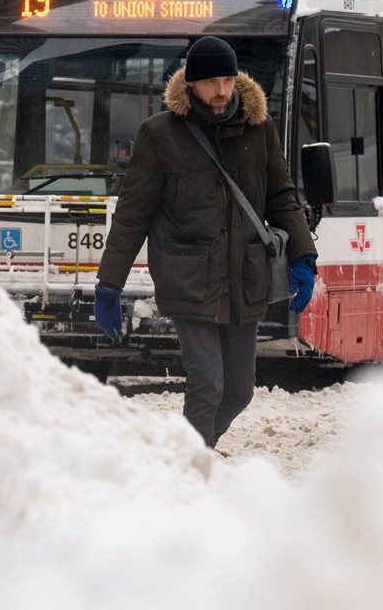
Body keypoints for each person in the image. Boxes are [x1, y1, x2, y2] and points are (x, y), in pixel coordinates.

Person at [92, 36, 318, 450]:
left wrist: (304, 255)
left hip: (245, 278)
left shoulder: (258, 128)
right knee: (208, 383)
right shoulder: (160, 135)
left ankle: (194, 454)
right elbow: (133, 214)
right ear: (192, 84)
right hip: (188, 277)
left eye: (228, 80)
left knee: (240, 390)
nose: (221, 91)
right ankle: (192, 473)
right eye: (212, 81)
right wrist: (110, 284)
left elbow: (281, 195)